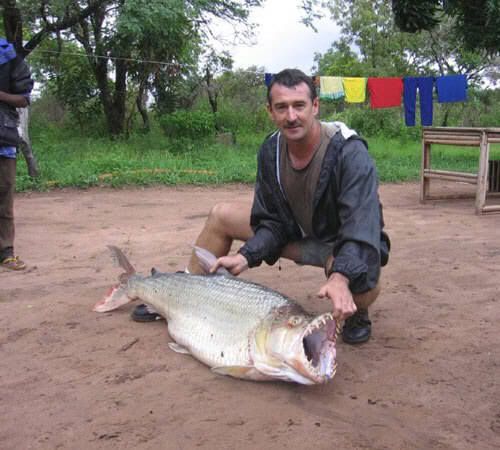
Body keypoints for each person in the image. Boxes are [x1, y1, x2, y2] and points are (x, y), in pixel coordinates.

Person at [133, 68, 390, 345]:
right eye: (282, 107)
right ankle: (182, 293)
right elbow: (271, 221)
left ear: (315, 106)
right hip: (295, 234)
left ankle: (356, 311)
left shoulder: (349, 153)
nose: (291, 116)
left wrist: (341, 275)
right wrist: (245, 256)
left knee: (365, 285)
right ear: (270, 111)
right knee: (222, 215)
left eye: (299, 106)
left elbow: (362, 227)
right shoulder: (270, 150)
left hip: (338, 244)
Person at [0, 38, 34, 270]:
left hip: (3, 139)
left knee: (4, 198)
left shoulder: (9, 57)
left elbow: (23, 99)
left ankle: (6, 252)